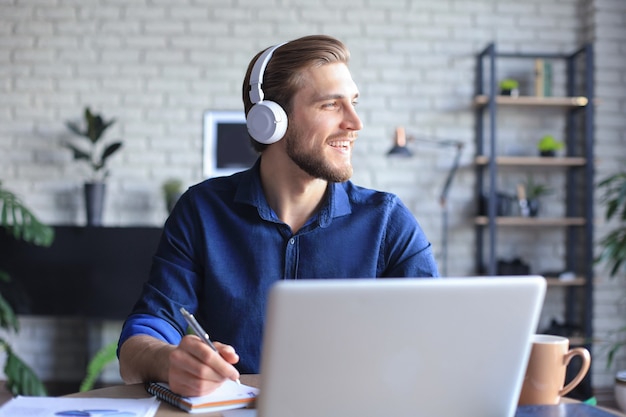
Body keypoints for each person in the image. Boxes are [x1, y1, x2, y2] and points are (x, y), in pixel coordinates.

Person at [117, 34, 438, 397]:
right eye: (331, 105)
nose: (355, 123)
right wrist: (168, 360)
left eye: (354, 102)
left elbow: (435, 339)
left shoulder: (387, 221)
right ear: (270, 120)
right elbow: (141, 339)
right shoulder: (202, 211)